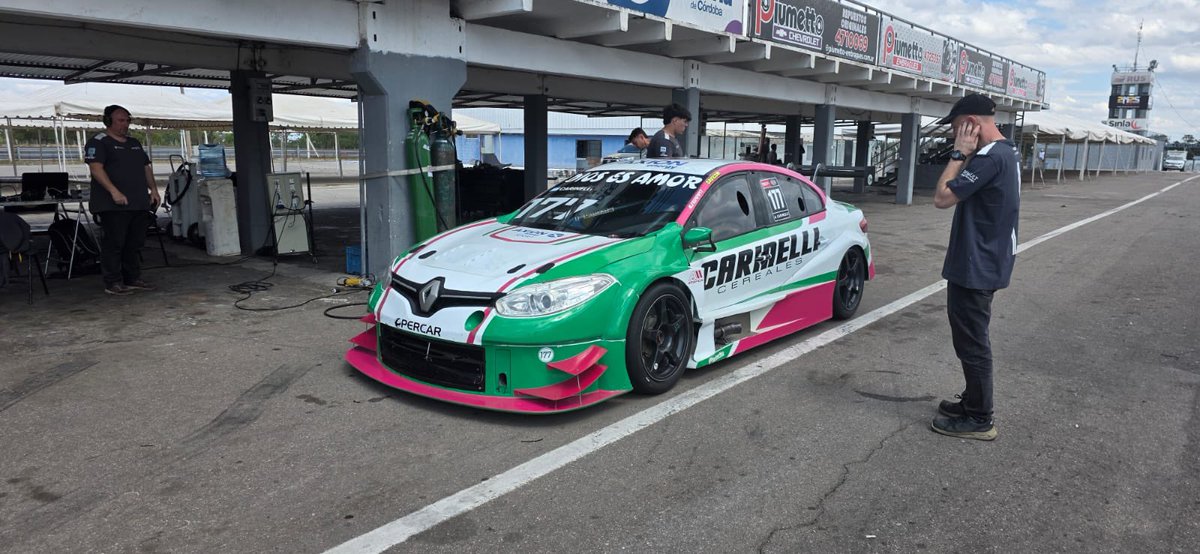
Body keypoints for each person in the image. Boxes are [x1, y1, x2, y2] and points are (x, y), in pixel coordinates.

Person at [930, 93, 1020, 441]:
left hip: (976, 264)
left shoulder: (989, 158)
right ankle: (972, 402)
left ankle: (980, 417)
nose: (954, 135)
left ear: (970, 123)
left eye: (956, 128)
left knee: (972, 342)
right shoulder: (1005, 152)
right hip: (986, 259)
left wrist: (958, 154)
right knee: (969, 338)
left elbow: (942, 197)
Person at [85, 104, 160, 296]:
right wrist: (114, 191)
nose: (125, 124)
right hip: (113, 205)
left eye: (127, 120)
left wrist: (153, 189)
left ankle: (132, 278)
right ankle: (113, 281)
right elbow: (96, 169)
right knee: (114, 243)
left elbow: (146, 167)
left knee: (134, 243)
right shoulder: (98, 142)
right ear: (108, 121)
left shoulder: (134, 143)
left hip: (138, 202)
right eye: (120, 120)